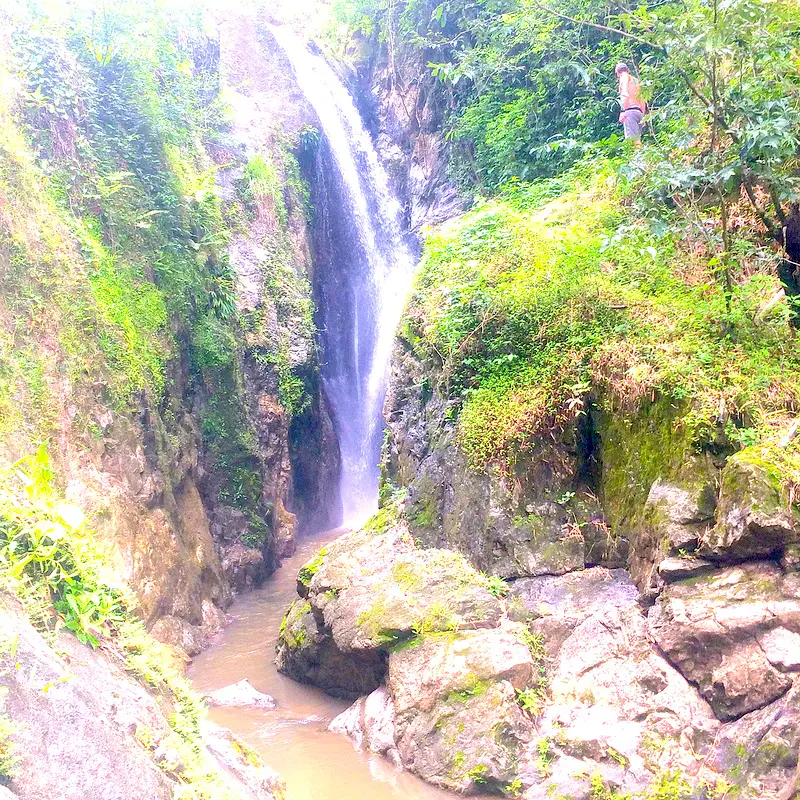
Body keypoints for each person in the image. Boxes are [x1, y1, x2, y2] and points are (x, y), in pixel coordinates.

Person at [615, 62, 646, 143]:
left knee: (632, 141)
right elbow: (643, 100)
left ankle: (636, 155)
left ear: (618, 73)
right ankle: (640, 154)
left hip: (630, 112)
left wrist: (622, 111)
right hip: (638, 112)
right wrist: (643, 117)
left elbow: (624, 93)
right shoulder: (636, 81)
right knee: (637, 140)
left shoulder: (624, 76)